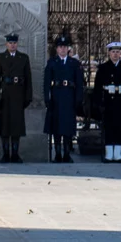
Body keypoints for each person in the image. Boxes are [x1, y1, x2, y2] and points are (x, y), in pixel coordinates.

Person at [0, 33, 32, 162]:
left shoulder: (23, 58)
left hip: (18, 95)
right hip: (5, 95)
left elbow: (28, 79)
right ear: (6, 44)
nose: (12, 45)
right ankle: (5, 154)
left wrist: (27, 97)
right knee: (4, 126)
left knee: (16, 126)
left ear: (17, 44)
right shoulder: (1, 58)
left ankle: (15, 153)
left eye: (14, 43)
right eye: (10, 43)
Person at [93, 41, 121, 162]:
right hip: (107, 103)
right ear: (109, 53)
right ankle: (108, 154)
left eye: (118, 52)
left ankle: (117, 154)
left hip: (120, 103)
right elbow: (97, 88)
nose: (115, 54)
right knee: (108, 128)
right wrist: (99, 104)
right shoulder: (103, 69)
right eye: (113, 52)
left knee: (118, 128)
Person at [44, 33, 84, 163]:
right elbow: (46, 83)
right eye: (60, 47)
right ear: (56, 49)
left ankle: (67, 153)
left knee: (67, 126)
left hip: (69, 96)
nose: (62, 49)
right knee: (56, 126)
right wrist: (47, 98)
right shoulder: (52, 62)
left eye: (64, 47)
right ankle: (58, 153)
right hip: (56, 96)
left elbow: (79, 83)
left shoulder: (74, 63)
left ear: (68, 49)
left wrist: (78, 99)